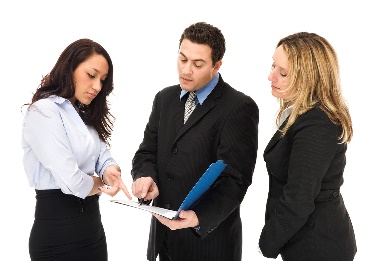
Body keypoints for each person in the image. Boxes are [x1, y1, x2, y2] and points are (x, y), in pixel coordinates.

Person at [131, 22, 259, 261]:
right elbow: (146, 152)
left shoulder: (239, 107)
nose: (186, 70)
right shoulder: (164, 99)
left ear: (216, 65)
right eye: (182, 59)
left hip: (208, 245)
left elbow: (236, 179)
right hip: (163, 241)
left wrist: (199, 216)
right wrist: (145, 176)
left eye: (198, 64)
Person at [22, 38, 132, 261]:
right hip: (57, 236)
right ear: (69, 67)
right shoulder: (43, 112)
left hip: (93, 231)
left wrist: (110, 169)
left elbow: (101, 152)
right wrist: (102, 183)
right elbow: (72, 181)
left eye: (102, 80)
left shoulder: (82, 114)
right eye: (91, 75)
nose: (97, 87)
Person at [258, 32, 357, 260]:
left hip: (317, 245)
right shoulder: (300, 113)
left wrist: (268, 242)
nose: (270, 76)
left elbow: (299, 198)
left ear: (309, 79)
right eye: (273, 66)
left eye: (283, 73)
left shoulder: (317, 124)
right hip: (305, 238)